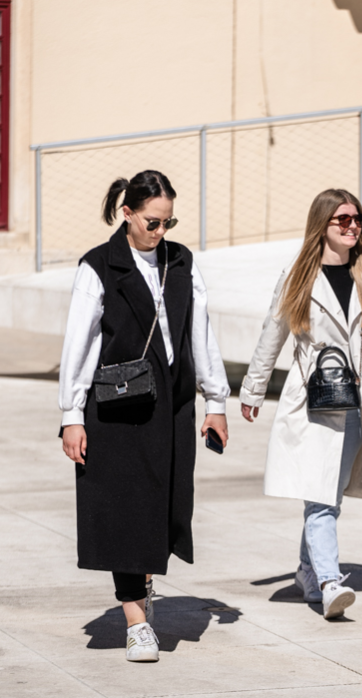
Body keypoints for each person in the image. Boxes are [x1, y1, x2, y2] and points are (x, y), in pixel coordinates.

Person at [58, 169, 230, 662]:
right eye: (152, 222)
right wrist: (72, 414)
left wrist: (214, 400)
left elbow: (201, 332)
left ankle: (144, 584)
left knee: (165, 505)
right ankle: (136, 621)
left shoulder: (181, 262)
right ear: (127, 213)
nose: (160, 233)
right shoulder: (100, 266)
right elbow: (80, 343)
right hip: (116, 408)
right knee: (126, 511)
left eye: (168, 222)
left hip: (172, 405)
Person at [240, 188, 362, 621]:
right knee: (319, 498)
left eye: (358, 219)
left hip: (358, 402)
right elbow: (271, 335)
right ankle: (331, 582)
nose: (353, 227)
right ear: (323, 226)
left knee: (326, 495)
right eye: (343, 220)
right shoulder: (298, 276)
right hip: (312, 402)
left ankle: (306, 572)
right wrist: (253, 390)